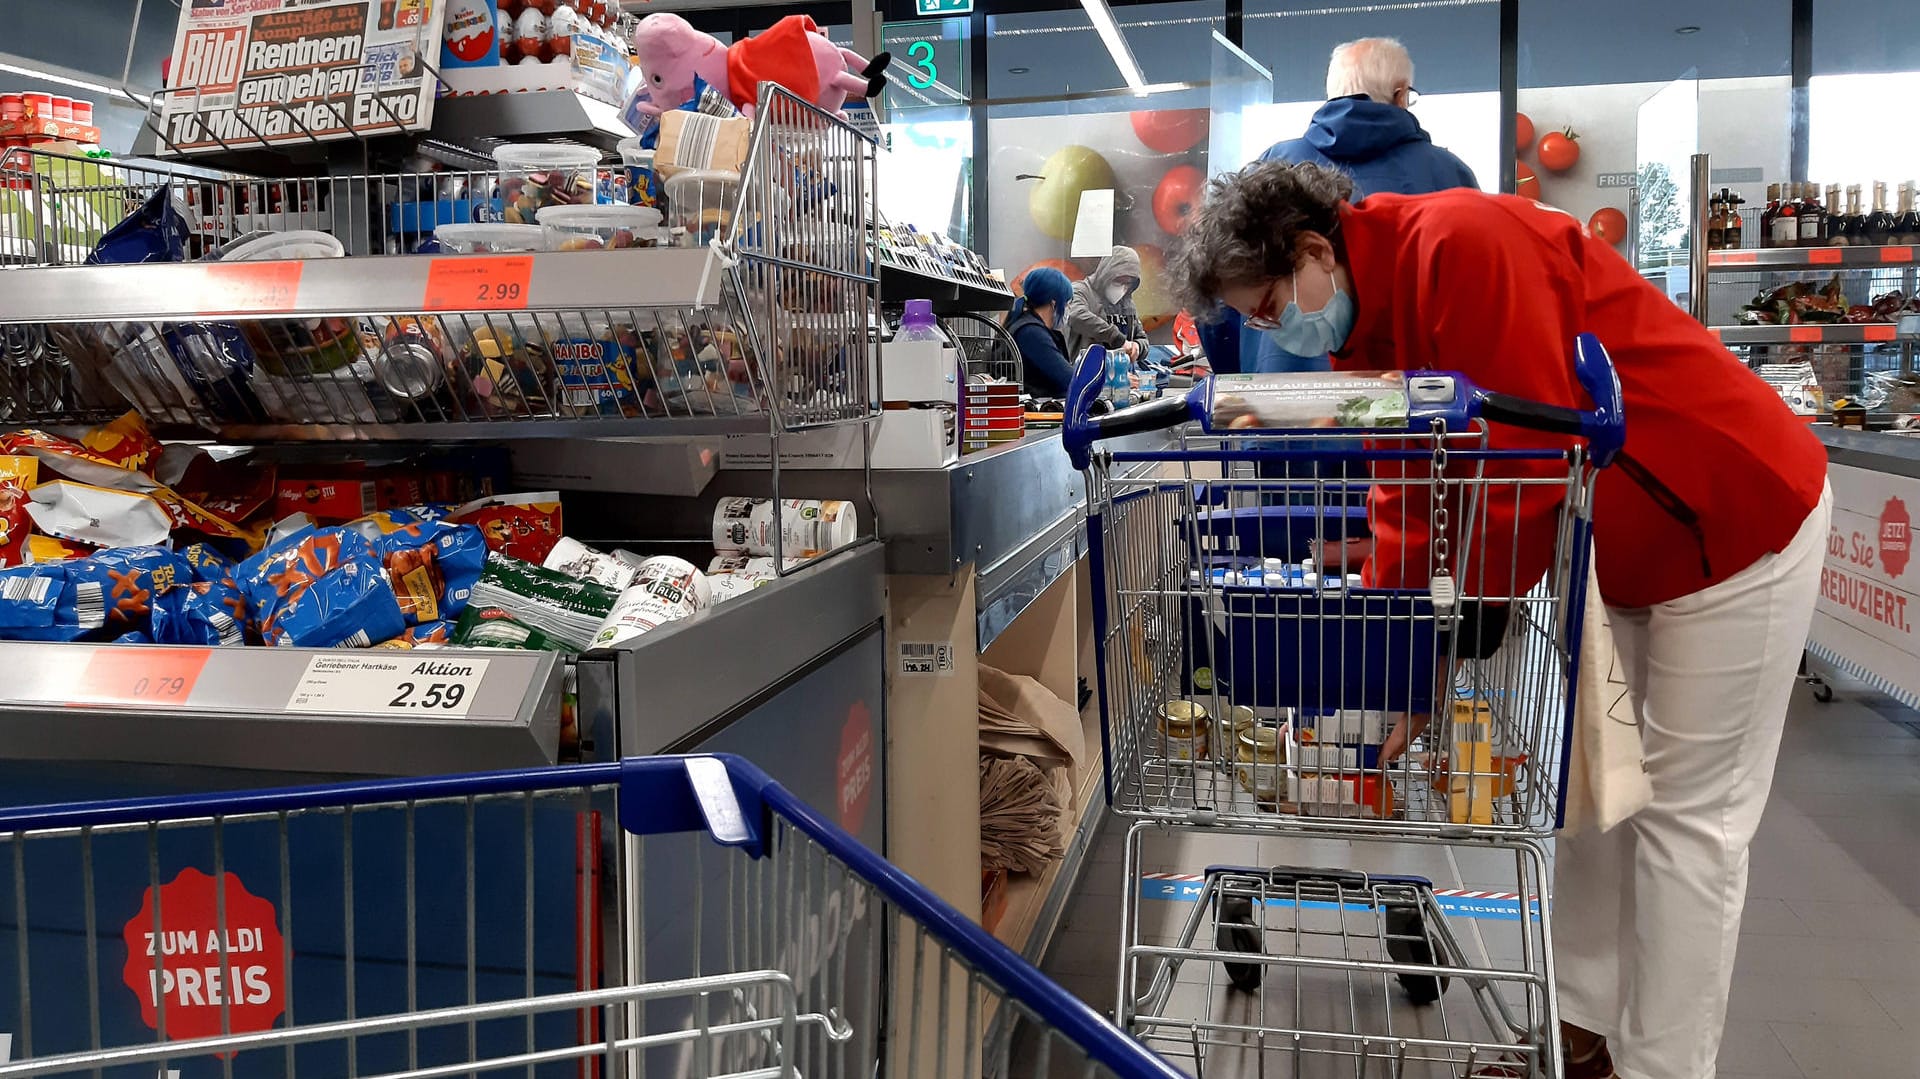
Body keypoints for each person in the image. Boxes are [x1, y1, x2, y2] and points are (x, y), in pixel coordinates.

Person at [1168, 160, 1830, 1079]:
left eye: (1273, 306)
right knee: (1600, 802)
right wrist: (1406, 651)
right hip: (1626, 545)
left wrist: (1446, 644)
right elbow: (1409, 475)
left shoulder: (1460, 245)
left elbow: (1524, 467)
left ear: (1316, 249)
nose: (1274, 329)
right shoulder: (1373, 309)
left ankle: (1664, 1068)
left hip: (1729, 510)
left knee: (1689, 825)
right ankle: (1579, 1037)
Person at [1241, 36, 1480, 376]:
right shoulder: (1447, 173)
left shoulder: (1272, 167)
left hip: (1281, 398)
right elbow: (1471, 304)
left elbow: (1222, 297)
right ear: (1401, 94)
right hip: (1406, 403)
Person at [1064, 246, 1149, 367]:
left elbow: (1141, 337)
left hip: (1120, 377)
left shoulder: (1127, 304)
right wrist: (1116, 339)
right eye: (1119, 280)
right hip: (1086, 375)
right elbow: (1076, 315)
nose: (1122, 287)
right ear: (1107, 273)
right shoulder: (1081, 291)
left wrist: (1138, 346)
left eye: (1128, 283)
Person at [1007, 266, 1075, 399]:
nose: (1068, 309)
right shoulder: (1031, 333)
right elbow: (1068, 378)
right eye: (1067, 303)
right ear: (1054, 304)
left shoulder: (1029, 327)